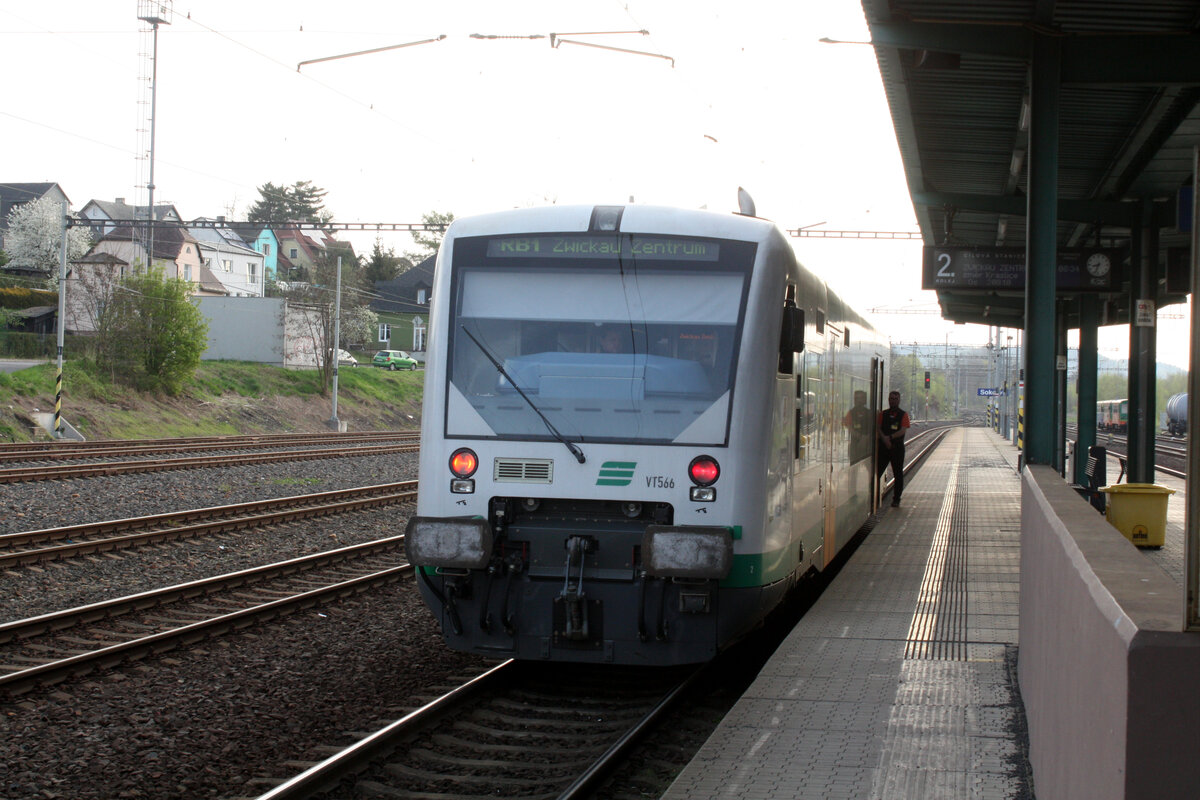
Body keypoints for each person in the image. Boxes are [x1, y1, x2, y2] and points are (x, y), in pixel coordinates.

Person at [877, 390, 911, 507]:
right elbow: (878, 428)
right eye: (891, 399)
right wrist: (884, 439)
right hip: (883, 448)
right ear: (888, 400)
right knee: (877, 472)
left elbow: (903, 430)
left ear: (899, 400)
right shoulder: (883, 414)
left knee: (898, 474)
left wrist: (889, 437)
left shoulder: (904, 415)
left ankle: (896, 499)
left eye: (895, 399)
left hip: (897, 448)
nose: (893, 401)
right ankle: (874, 497)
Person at [843, 389, 872, 463]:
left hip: (867, 446)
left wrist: (865, 438)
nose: (859, 400)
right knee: (854, 466)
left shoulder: (869, 413)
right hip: (855, 446)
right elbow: (849, 427)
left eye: (861, 398)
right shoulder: (851, 413)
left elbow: (872, 428)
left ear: (864, 399)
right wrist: (860, 436)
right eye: (857, 398)